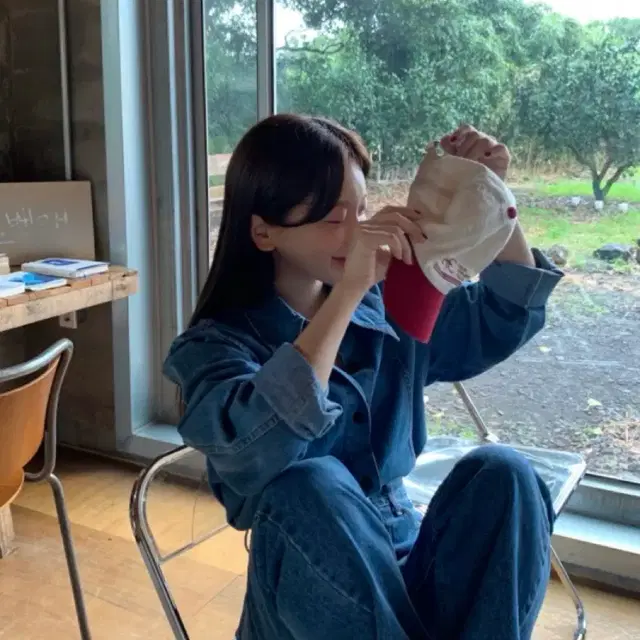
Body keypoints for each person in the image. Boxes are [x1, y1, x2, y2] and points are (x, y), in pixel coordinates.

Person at [163, 113, 562, 640]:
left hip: (407, 559)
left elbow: (502, 316)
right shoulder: (213, 348)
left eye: (363, 210)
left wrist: (489, 197)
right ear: (263, 231)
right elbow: (254, 451)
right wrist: (349, 292)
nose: (357, 232)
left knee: (506, 474)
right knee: (310, 484)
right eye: (333, 218)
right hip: (311, 596)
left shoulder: (391, 303)